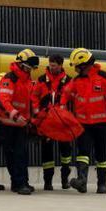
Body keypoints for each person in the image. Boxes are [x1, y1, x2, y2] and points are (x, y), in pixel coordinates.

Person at [60, 48, 106, 194]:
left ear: (84, 65)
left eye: (77, 66)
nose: (75, 69)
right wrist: (63, 106)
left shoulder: (104, 77)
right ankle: (82, 181)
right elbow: (65, 93)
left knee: (101, 154)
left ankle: (102, 184)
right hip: (83, 124)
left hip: (101, 123)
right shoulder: (76, 81)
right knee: (82, 152)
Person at [0, 48, 39, 195]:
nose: (30, 70)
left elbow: (30, 102)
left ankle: (22, 182)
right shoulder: (10, 78)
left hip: (21, 124)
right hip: (8, 124)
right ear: (21, 64)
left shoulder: (27, 80)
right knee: (13, 154)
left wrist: (32, 119)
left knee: (21, 154)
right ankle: (18, 183)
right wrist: (14, 114)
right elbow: (3, 100)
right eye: (28, 67)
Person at [31, 54, 73, 191]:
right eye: (50, 64)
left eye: (54, 65)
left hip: (63, 122)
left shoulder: (69, 81)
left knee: (66, 152)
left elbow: (75, 99)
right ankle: (47, 182)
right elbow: (34, 97)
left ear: (61, 65)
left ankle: (64, 178)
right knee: (47, 153)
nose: (51, 67)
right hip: (47, 121)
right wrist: (37, 111)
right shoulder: (41, 80)